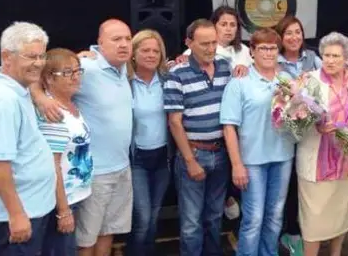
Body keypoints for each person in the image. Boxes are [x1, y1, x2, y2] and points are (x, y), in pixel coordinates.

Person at [33, 19, 134, 256]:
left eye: (128, 39)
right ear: (100, 43)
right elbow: (38, 75)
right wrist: (41, 98)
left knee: (108, 232)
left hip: (122, 168)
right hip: (94, 174)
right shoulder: (86, 67)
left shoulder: (124, 69)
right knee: (86, 240)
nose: (124, 44)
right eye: (116, 39)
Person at [0, 22, 56, 255]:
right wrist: (17, 214)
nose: (39, 63)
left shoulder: (16, 87)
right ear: (6, 57)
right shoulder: (3, 100)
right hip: (19, 216)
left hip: (32, 208)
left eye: (42, 56)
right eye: (31, 56)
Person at [221, 28, 295, 256]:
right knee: (253, 218)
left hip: (283, 156)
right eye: (263, 48)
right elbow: (229, 127)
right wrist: (236, 164)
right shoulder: (239, 82)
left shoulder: (286, 80)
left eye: (273, 48)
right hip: (252, 160)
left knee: (275, 216)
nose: (269, 52)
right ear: (252, 51)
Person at [296, 32, 348, 256]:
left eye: (336, 56)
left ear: (346, 58)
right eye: (326, 55)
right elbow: (295, 117)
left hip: (346, 161)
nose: (330, 60)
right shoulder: (310, 81)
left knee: (341, 216)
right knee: (313, 222)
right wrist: (311, 123)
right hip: (317, 163)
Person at [165, 19, 232, 255]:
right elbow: (174, 122)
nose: (211, 48)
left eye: (214, 42)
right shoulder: (177, 74)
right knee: (191, 223)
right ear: (188, 43)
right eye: (204, 44)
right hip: (193, 153)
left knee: (214, 217)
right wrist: (190, 161)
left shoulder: (226, 67)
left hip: (221, 152)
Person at [37, 48, 93, 256]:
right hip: (61, 201)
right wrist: (63, 211)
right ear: (49, 78)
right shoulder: (52, 112)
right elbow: (53, 165)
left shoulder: (71, 104)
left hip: (77, 195)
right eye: (68, 72)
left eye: (78, 71)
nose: (76, 76)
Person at [274, 15, 322, 255]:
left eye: (297, 32)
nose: (294, 37)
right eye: (288, 33)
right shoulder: (274, 61)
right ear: (281, 38)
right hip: (283, 137)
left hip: (311, 136)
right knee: (287, 188)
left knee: (307, 188)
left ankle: (303, 235)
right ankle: (288, 234)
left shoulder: (313, 58)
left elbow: (329, 82)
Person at [126, 30, 170, 255]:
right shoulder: (124, 81)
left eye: (156, 51)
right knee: (142, 218)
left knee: (153, 216)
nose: (151, 55)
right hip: (137, 160)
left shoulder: (167, 79)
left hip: (163, 158)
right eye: (145, 50)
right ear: (133, 53)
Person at [179, 6, 251, 78]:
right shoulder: (195, 50)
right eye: (223, 24)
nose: (228, 29)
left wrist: (247, 69)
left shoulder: (244, 50)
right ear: (213, 26)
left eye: (232, 25)